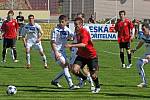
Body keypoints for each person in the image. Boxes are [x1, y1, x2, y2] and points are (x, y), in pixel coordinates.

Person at [65, 17, 100, 93]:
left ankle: (97, 86)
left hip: (91, 56)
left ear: (81, 25)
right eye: (75, 25)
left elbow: (84, 44)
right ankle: (84, 78)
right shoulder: (77, 31)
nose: (75, 26)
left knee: (93, 75)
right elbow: (80, 42)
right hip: (82, 55)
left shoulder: (84, 31)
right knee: (73, 69)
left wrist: (71, 46)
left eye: (77, 25)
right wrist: (73, 44)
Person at [50, 15, 78, 89]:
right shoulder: (55, 30)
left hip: (63, 52)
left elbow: (73, 36)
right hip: (56, 51)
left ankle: (55, 81)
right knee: (65, 66)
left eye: (63, 22)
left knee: (67, 68)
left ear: (66, 22)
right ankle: (71, 85)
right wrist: (56, 52)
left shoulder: (67, 29)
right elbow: (52, 42)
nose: (61, 23)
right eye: (60, 22)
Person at [131, 23, 150, 88]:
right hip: (147, 55)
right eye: (142, 29)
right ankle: (144, 82)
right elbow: (141, 43)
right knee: (138, 63)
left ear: (148, 29)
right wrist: (135, 49)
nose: (142, 31)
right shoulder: (144, 36)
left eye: (144, 29)